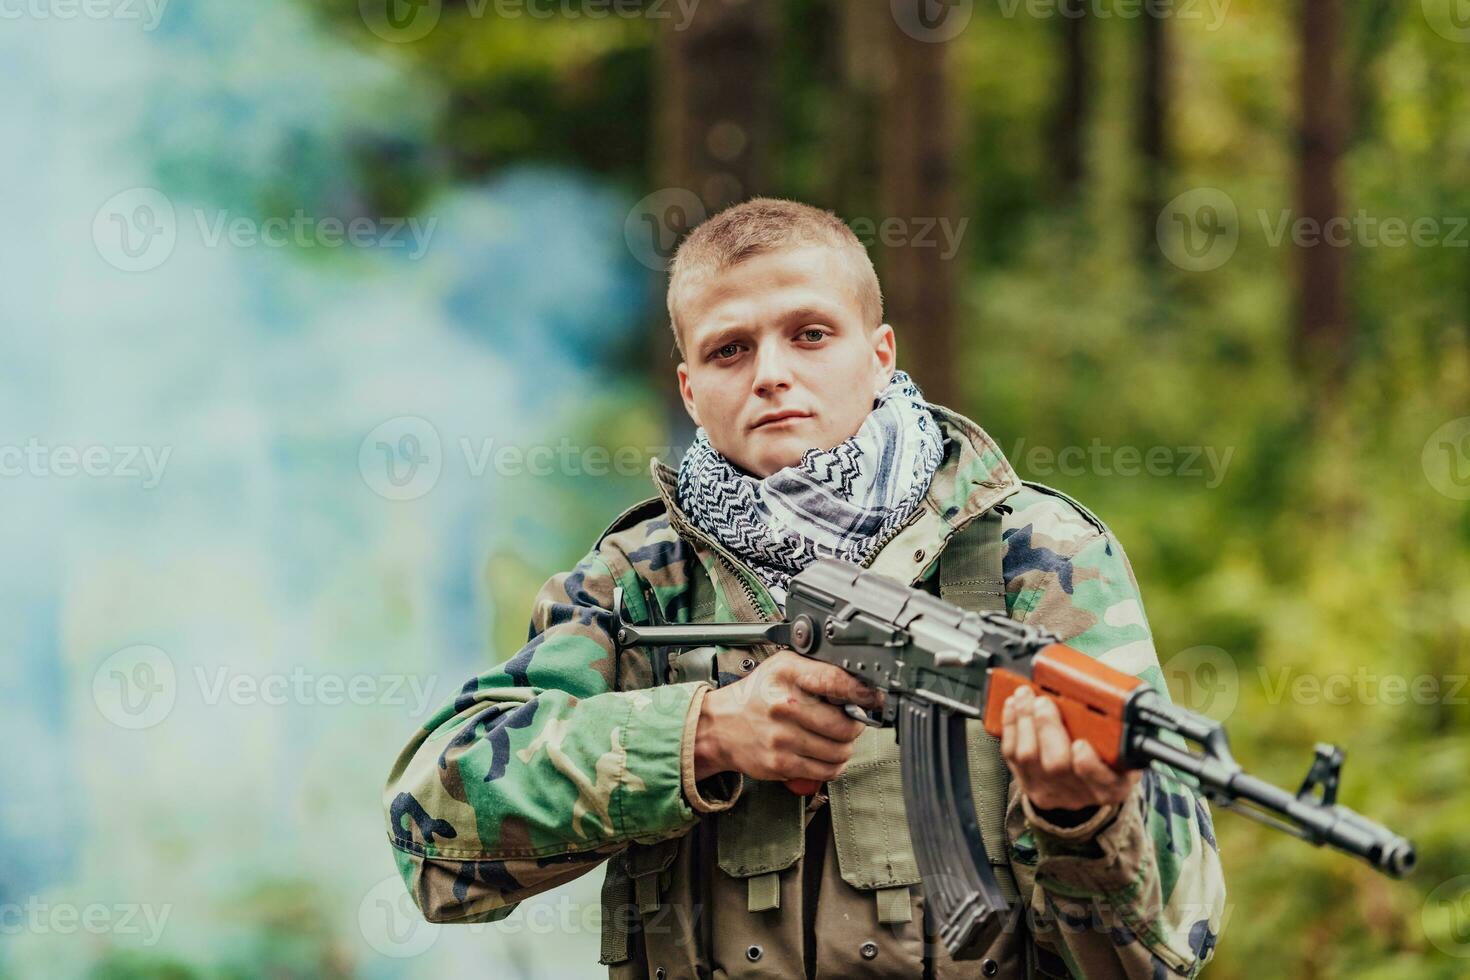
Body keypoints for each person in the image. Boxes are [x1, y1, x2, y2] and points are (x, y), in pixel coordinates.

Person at [382, 197, 1226, 978]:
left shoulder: (1033, 555)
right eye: (729, 349)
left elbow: (1164, 953)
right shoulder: (638, 584)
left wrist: (1082, 823)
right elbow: (431, 838)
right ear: (690, 388)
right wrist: (702, 735)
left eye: (812, 334)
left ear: (879, 352)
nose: (772, 374)